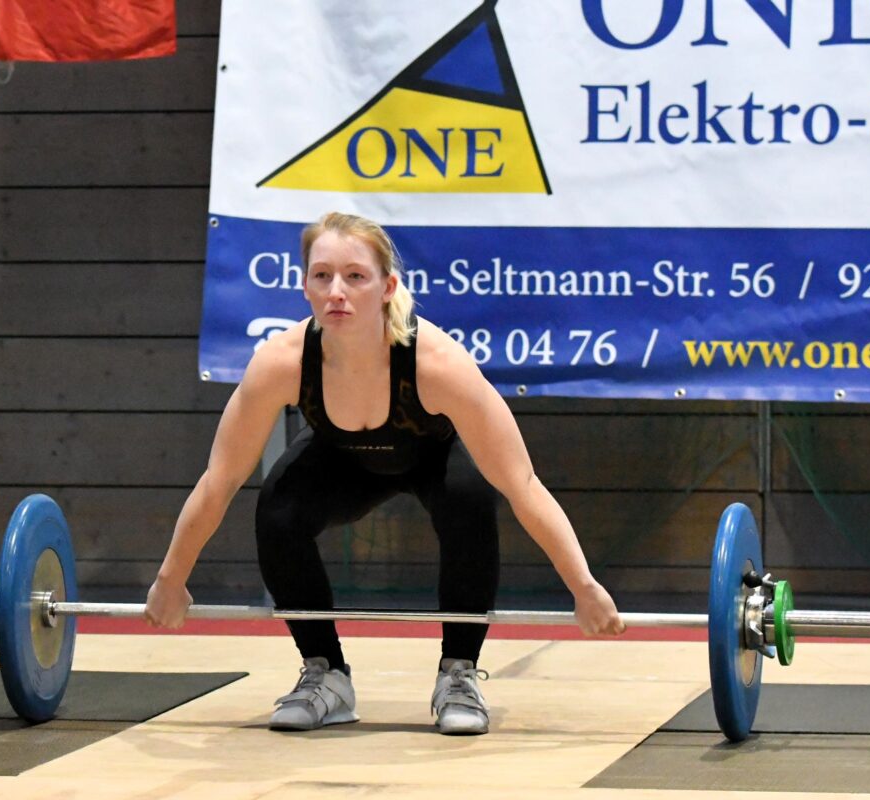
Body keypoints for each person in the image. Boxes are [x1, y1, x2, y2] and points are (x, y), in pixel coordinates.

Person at [143, 211, 625, 735]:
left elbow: (523, 485)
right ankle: (325, 675)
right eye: (322, 275)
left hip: (431, 455)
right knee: (278, 507)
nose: (337, 292)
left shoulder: (436, 364)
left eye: (355, 276)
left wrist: (584, 586)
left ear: (387, 286)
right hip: (341, 460)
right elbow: (220, 480)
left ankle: (459, 673)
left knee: (471, 496)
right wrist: (171, 579)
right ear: (304, 285)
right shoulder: (281, 362)